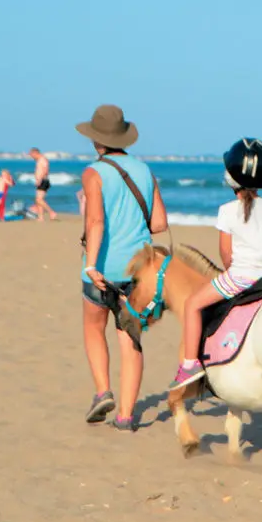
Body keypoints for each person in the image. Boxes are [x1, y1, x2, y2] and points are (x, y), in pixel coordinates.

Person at [77, 104, 169, 431]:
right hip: (140, 270)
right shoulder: (144, 171)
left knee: (93, 328)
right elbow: (159, 223)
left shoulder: (93, 173)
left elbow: (96, 221)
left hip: (104, 266)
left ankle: (103, 391)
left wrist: (90, 265)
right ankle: (127, 415)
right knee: (130, 337)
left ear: (96, 140)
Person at [170, 138, 262, 390]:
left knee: (192, 305)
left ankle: (190, 364)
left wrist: (235, 267)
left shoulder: (226, 210)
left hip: (241, 277)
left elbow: (226, 256)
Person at [28, 147, 58, 221]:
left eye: (31, 155)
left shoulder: (43, 159)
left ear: (35, 153)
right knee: (39, 200)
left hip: (43, 181)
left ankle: (51, 212)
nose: (32, 157)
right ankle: (40, 217)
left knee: (39, 200)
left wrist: (40, 179)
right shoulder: (39, 160)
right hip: (41, 181)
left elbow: (45, 170)